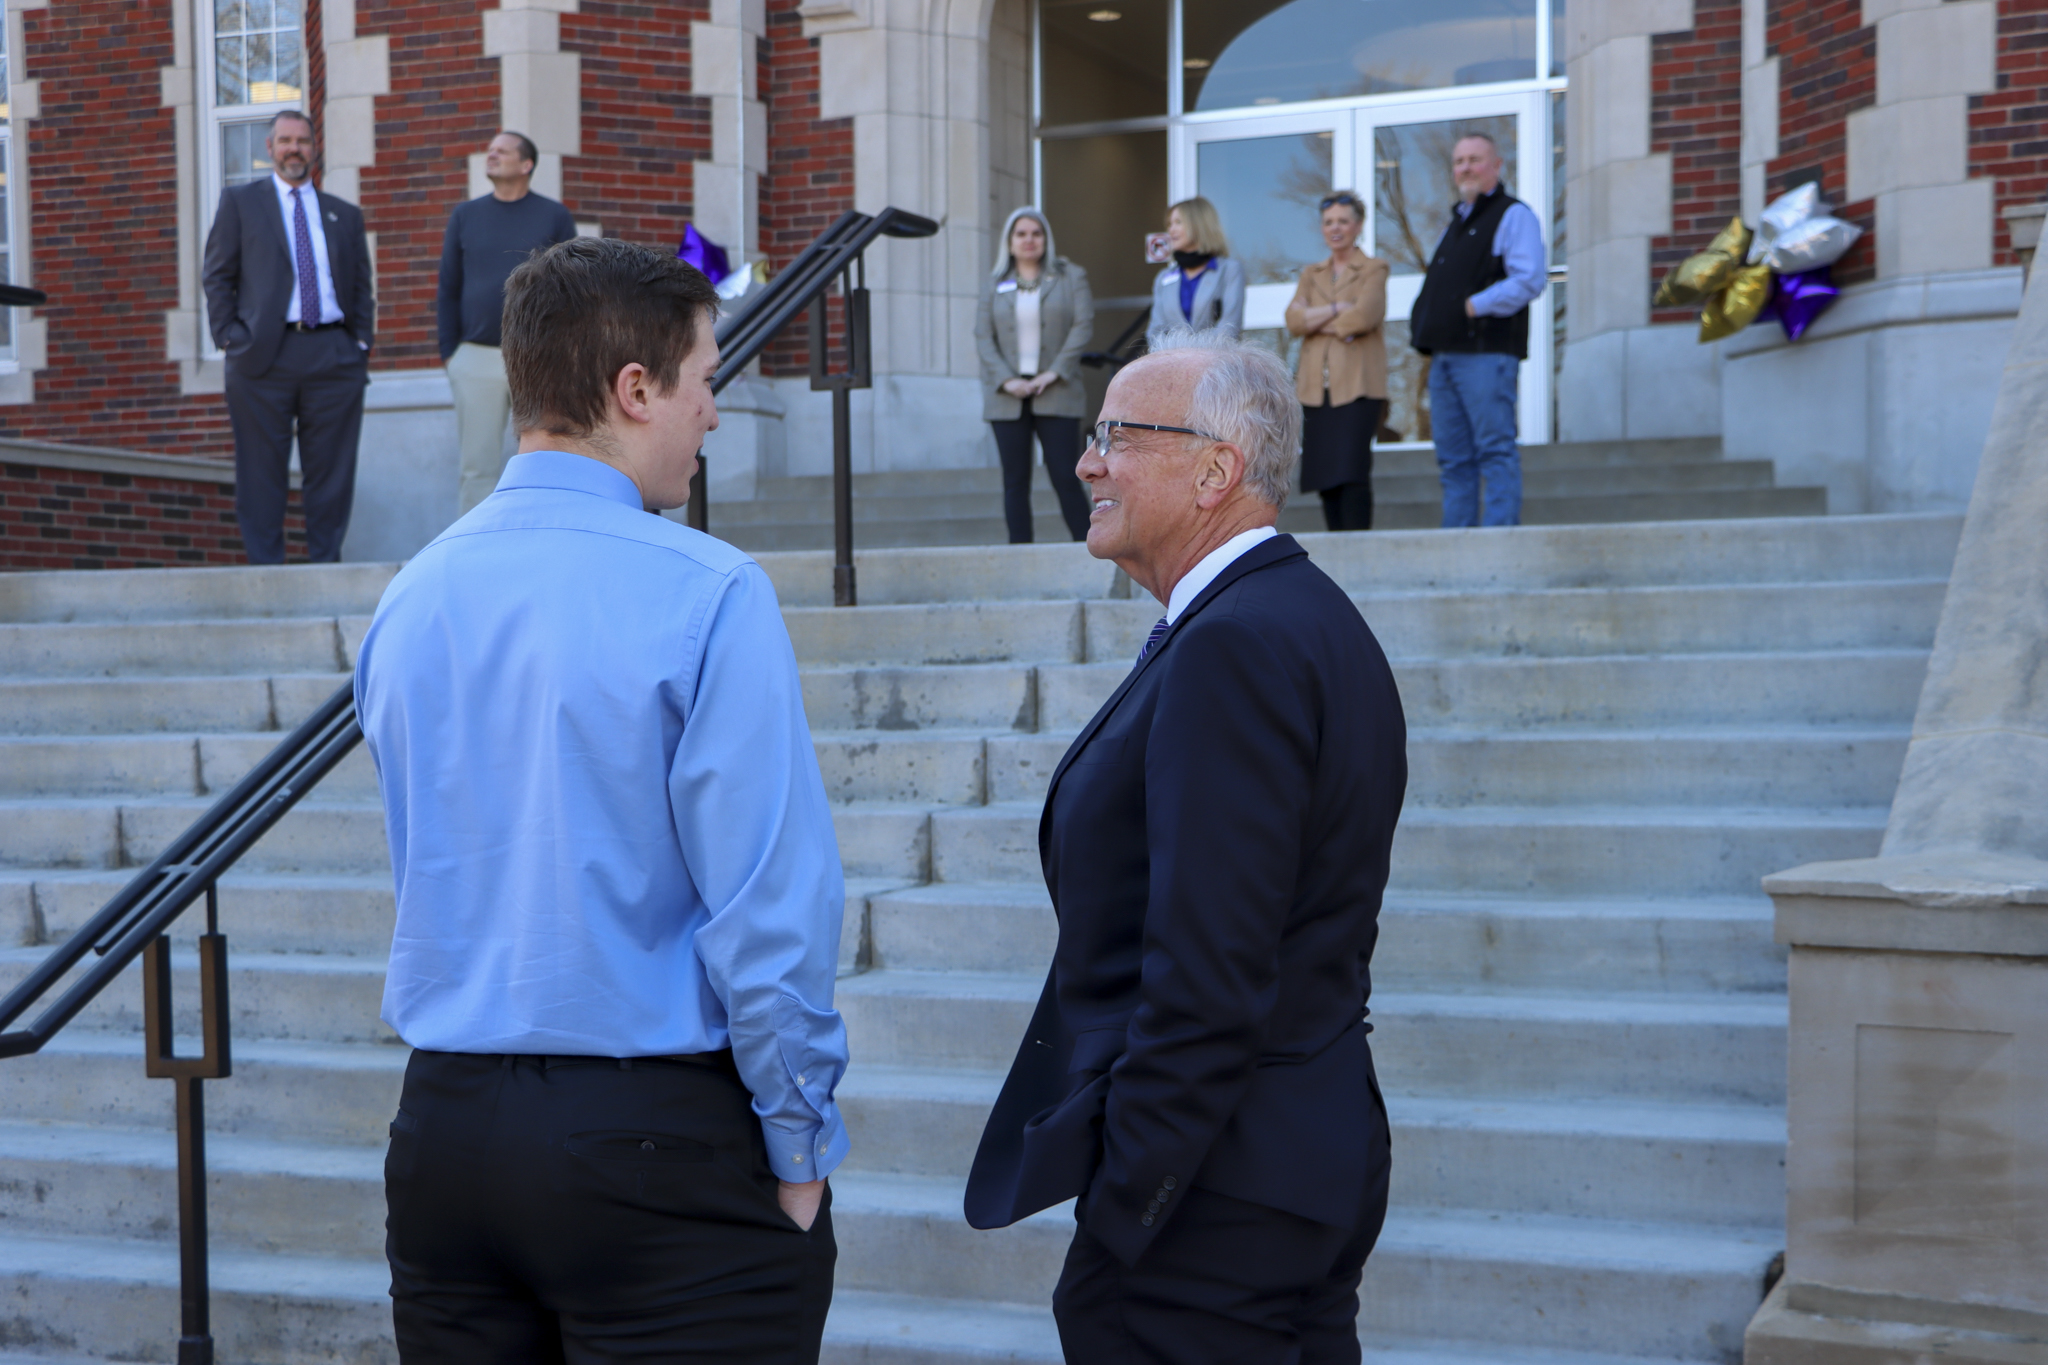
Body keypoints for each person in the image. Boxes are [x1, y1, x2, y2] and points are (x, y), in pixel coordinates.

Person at [355, 237, 847, 1363]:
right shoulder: (708, 589)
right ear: (635, 390)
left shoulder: (411, 593)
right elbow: (768, 916)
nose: (710, 415)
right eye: (704, 380)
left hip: (445, 1140)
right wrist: (800, 1148)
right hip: (655, 1147)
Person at [964, 330, 1407, 1363]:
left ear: (1215, 471)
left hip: (1216, 1196)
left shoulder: (1238, 643)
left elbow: (1210, 973)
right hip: (1279, 1160)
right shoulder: (1283, 617)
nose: (1084, 462)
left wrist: (1131, 1202)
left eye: (1115, 435)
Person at [201, 109, 375, 563]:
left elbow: (360, 288)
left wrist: (359, 346)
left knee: (332, 471)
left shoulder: (344, 215)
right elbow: (217, 277)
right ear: (270, 148)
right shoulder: (241, 203)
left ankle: (325, 563)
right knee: (261, 470)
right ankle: (267, 571)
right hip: (261, 356)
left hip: (334, 356)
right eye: (284, 140)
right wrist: (228, 338)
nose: (293, 148)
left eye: (302, 140)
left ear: (315, 148)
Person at [1408, 131, 1546, 528]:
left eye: (1475, 159)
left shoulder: (1513, 214)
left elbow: (1529, 279)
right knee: (1453, 460)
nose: (1465, 167)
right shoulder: (1455, 224)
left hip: (1486, 356)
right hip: (1445, 358)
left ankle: (1499, 542)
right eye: (1459, 161)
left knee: (1494, 450)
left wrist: (1474, 305)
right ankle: (1458, 545)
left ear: (1497, 165)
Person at [438, 130, 579, 516]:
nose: (492, 155)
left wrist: (561, 353)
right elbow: (448, 286)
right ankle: (476, 554)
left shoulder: (554, 216)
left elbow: (572, 289)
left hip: (538, 357)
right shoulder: (465, 215)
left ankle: (547, 534)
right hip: (475, 358)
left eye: (502, 151)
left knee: (548, 460)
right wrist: (452, 354)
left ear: (526, 164)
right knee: (477, 468)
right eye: (490, 150)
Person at [974, 206, 1094, 543]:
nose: (1029, 240)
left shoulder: (1071, 277)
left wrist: (1052, 374)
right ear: (1009, 242)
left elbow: (1082, 327)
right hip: (1006, 396)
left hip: (1056, 391)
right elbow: (983, 336)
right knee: (1014, 482)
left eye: (1036, 233)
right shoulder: (993, 283)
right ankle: (1020, 552)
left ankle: (1090, 548)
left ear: (1046, 239)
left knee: (1065, 477)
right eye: (1021, 234)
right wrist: (1006, 379)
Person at [1286, 190, 1390, 532]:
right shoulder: (1311, 273)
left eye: (1343, 221)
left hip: (1359, 387)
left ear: (1358, 225)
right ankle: (1336, 544)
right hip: (1317, 389)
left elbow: (1363, 317)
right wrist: (1335, 310)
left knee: (1352, 471)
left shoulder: (1374, 268)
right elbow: (1293, 321)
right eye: (1329, 222)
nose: (1336, 228)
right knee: (1325, 473)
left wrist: (1316, 321)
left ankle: (1357, 544)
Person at [1146, 197, 1245, 348]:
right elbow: (1155, 332)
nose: (1171, 230)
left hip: (1215, 364)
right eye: (1169, 224)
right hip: (1173, 366)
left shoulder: (1229, 270)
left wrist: (1195, 359)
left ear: (1198, 225)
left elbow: (1229, 328)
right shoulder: (1163, 278)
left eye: (1178, 222)